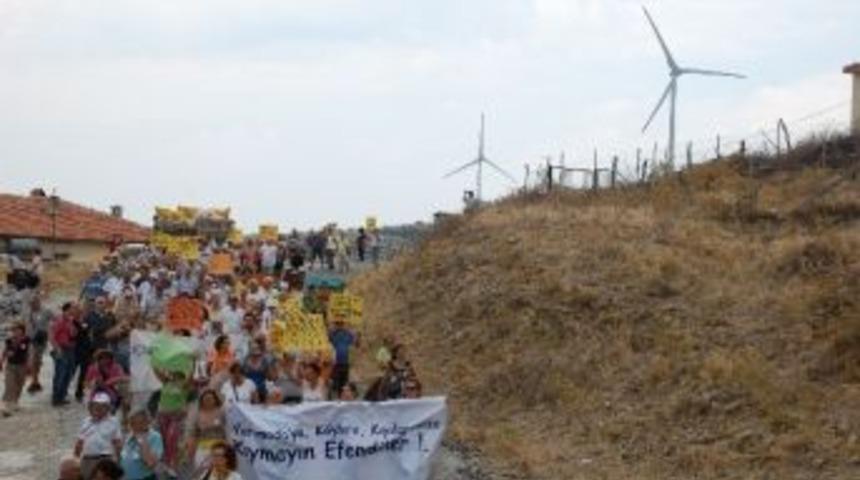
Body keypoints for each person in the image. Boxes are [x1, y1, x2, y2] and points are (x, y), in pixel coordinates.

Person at [153, 368, 192, 475]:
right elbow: (157, 371)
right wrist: (153, 359)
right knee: (164, 440)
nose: (176, 378)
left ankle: (172, 465)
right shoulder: (166, 383)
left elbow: (190, 376)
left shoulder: (184, 386)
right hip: (163, 415)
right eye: (174, 376)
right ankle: (167, 463)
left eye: (178, 377)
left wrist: (193, 363)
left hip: (176, 416)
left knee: (172, 439)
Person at [74, 392, 122, 479]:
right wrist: (76, 458)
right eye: (96, 405)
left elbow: (117, 442)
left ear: (108, 408)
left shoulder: (113, 422)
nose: (98, 408)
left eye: (102, 405)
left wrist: (119, 460)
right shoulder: (86, 422)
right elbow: (79, 442)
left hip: (105, 459)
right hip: (88, 458)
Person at [186, 389, 227, 473]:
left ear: (215, 400)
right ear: (202, 401)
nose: (208, 401)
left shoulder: (222, 412)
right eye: (206, 399)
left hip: (219, 447)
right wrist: (190, 450)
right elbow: (193, 434)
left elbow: (228, 431)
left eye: (211, 398)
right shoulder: (197, 414)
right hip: (203, 447)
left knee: (218, 473)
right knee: (203, 473)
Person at [120, 409, 163, 480]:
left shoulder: (155, 437)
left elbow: (150, 463)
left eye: (140, 423)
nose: (135, 426)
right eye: (132, 423)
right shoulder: (129, 435)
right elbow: (123, 458)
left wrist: (142, 441)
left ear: (148, 422)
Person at [51, 302, 79, 406]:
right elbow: (52, 335)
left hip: (70, 348)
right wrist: (57, 349)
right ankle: (56, 397)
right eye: (73, 308)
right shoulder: (60, 320)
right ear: (67, 309)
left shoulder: (70, 320)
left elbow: (73, 334)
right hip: (62, 349)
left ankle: (61, 396)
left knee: (68, 373)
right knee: (60, 374)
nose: (75, 309)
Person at [24, 294, 53, 393]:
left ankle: (35, 381)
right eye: (31, 303)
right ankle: (34, 381)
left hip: (41, 340)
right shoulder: (28, 312)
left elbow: (55, 319)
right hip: (30, 339)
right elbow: (26, 325)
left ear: (38, 302)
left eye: (34, 302)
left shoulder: (46, 311)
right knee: (32, 360)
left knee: (37, 361)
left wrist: (50, 332)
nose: (32, 305)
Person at [1, 321, 30, 417]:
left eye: (17, 329)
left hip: (22, 365)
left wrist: (30, 365)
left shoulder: (26, 340)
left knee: (19, 384)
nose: (15, 332)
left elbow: (29, 352)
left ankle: (15, 401)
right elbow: (5, 351)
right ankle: (5, 406)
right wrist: (1, 361)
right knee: (9, 385)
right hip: (11, 365)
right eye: (13, 330)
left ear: (22, 330)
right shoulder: (9, 340)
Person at [328, 316, 359, 397]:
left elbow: (356, 343)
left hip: (346, 362)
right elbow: (327, 341)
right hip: (335, 363)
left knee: (344, 382)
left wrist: (356, 334)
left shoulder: (348, 334)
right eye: (337, 324)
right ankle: (337, 397)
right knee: (336, 383)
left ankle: (342, 398)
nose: (339, 326)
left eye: (341, 324)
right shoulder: (332, 334)